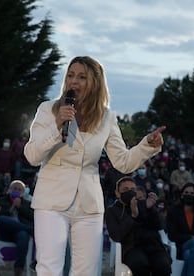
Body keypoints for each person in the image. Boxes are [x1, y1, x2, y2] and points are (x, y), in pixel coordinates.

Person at [24, 56, 165, 276]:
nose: (74, 82)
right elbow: (32, 156)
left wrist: (146, 145)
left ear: (95, 82)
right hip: (51, 201)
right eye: (70, 75)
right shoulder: (48, 109)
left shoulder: (106, 117)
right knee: (49, 268)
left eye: (81, 77)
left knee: (87, 271)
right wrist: (57, 124)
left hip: (88, 204)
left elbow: (123, 162)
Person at [105, 176, 171, 276]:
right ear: (117, 193)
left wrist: (151, 209)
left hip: (153, 246)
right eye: (125, 189)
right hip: (131, 247)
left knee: (163, 265)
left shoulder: (143, 204)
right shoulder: (112, 211)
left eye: (132, 189)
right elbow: (116, 235)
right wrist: (133, 216)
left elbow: (159, 225)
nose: (130, 192)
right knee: (140, 264)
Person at [0, 180, 34, 276]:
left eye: (20, 189)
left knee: (23, 234)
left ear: (23, 193)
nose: (17, 190)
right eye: (15, 188)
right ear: (10, 189)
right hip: (5, 232)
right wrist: (12, 207)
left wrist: (20, 207)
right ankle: (31, 230)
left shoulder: (27, 203)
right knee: (2, 219)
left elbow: (32, 217)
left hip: (18, 234)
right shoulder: (2, 200)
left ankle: (18, 270)